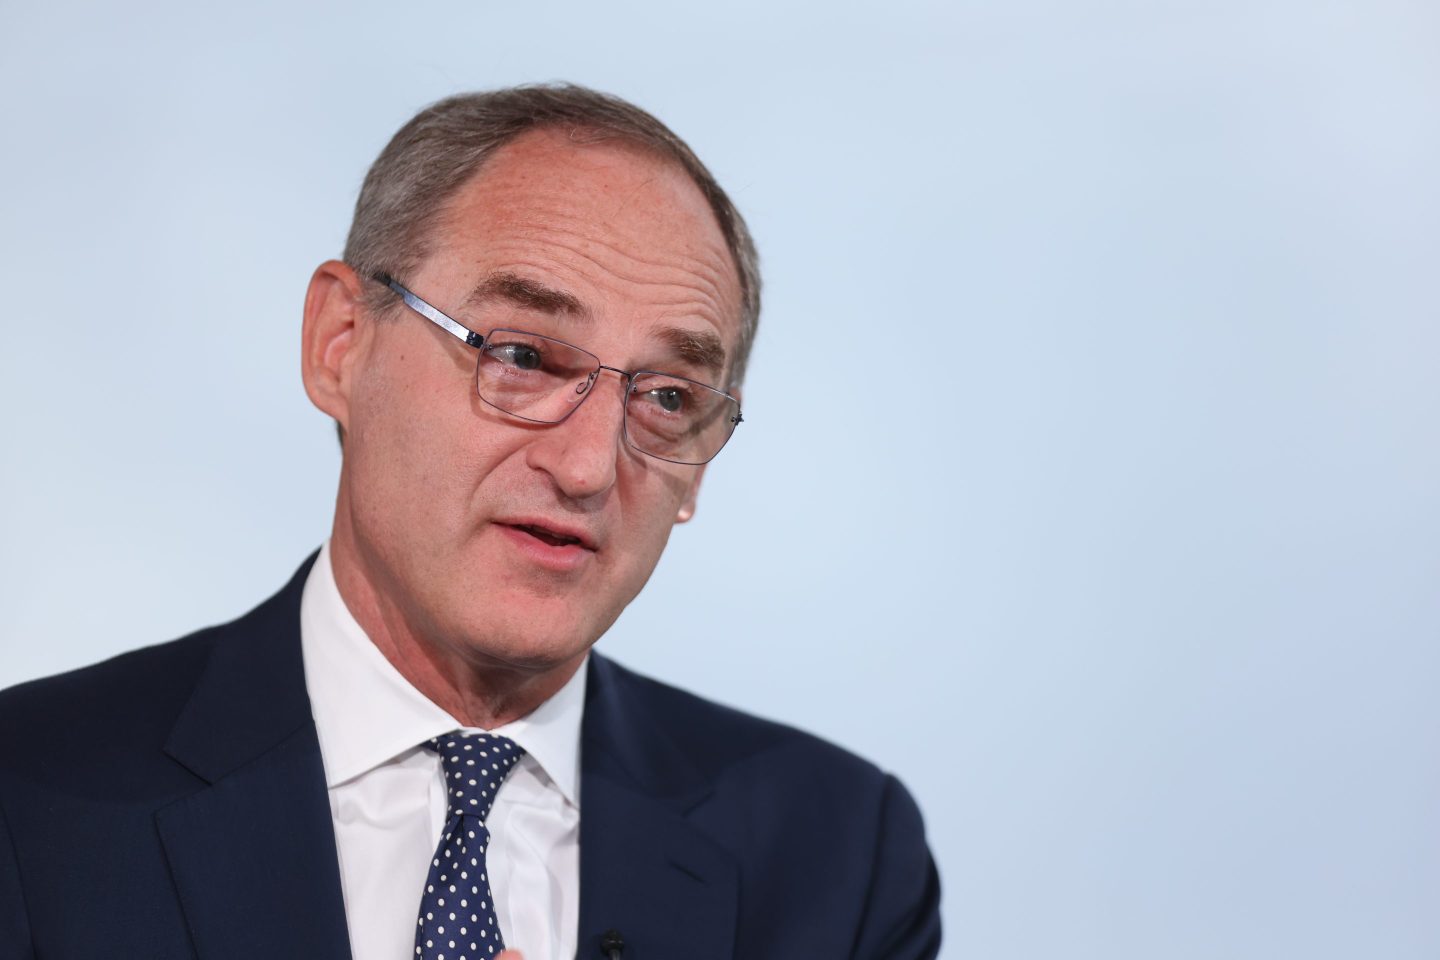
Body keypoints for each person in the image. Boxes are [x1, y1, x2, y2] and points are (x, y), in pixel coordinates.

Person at [0, 84, 940, 960]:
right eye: (523, 355)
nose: (586, 467)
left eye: (666, 398)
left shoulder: (838, 859)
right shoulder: (28, 797)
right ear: (340, 343)